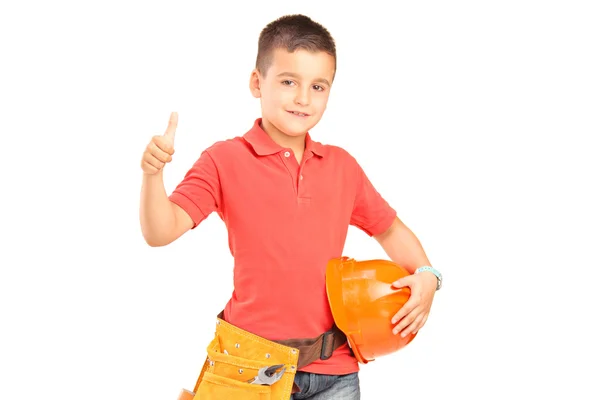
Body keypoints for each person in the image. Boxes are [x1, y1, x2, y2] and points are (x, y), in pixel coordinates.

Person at [139, 14, 442, 400]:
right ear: (256, 82)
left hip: (336, 374)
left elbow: (390, 229)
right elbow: (160, 231)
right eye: (288, 82)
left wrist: (428, 276)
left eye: (318, 86)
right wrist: (153, 176)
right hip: (248, 371)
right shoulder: (223, 160)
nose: (303, 98)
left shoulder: (342, 167)